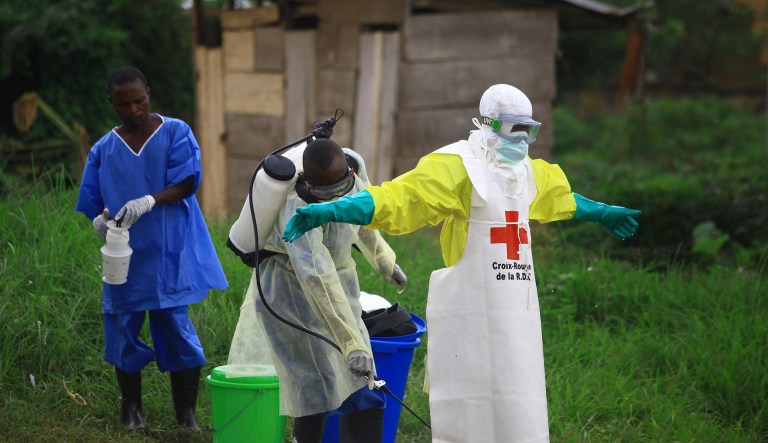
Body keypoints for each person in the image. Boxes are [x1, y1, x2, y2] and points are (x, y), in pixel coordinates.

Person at [282, 84, 642, 442]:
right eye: (514, 129)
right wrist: (332, 208)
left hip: (517, 318)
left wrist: (603, 212)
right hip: (470, 315)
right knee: (471, 405)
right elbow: (398, 199)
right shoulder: (458, 166)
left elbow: (561, 199)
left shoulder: (527, 173)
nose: (522, 139)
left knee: (520, 398)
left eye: (529, 130)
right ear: (489, 125)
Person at [76, 66, 228, 431]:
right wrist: (101, 219)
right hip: (123, 255)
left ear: (148, 92)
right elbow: (94, 199)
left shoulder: (175, 132)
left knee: (175, 328)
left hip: (167, 249)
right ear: (110, 101)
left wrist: (149, 200)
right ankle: (131, 412)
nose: (132, 109)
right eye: (123, 103)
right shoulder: (103, 149)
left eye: (138, 100)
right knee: (122, 328)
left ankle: (186, 415)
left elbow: (187, 181)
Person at [226, 138, 408, 443]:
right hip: (291, 296)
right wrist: (352, 344)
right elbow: (317, 276)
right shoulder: (296, 207)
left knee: (364, 385)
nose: (337, 197)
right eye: (327, 193)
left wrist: (385, 262)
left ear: (349, 170)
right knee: (316, 389)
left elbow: (361, 214)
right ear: (308, 183)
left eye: (342, 186)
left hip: (341, 284)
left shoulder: (353, 167)